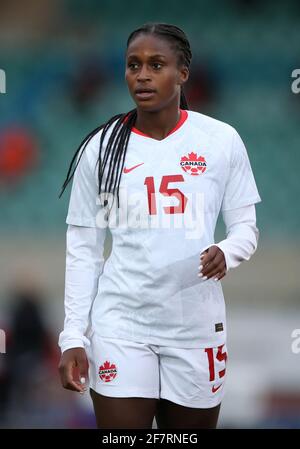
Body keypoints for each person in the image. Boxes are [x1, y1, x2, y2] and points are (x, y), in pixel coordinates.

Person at [57, 22, 261, 429]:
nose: (143, 75)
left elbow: (247, 229)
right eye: (134, 65)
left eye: (156, 64)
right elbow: (83, 248)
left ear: (182, 73)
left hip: (195, 325)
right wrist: (73, 336)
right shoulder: (100, 149)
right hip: (122, 323)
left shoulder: (220, 140)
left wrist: (227, 251)